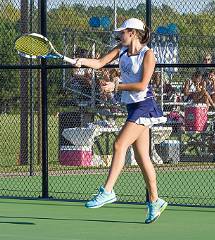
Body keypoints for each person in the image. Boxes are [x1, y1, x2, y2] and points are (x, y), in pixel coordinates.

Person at [74, 18, 167, 224]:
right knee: (142, 157)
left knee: (119, 144)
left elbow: (142, 84)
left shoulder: (148, 54)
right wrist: (81, 61)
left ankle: (107, 191)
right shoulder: (121, 50)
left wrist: (116, 86)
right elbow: (99, 63)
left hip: (145, 105)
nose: (119, 36)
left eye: (122, 33)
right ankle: (155, 200)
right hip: (132, 106)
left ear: (133, 33)